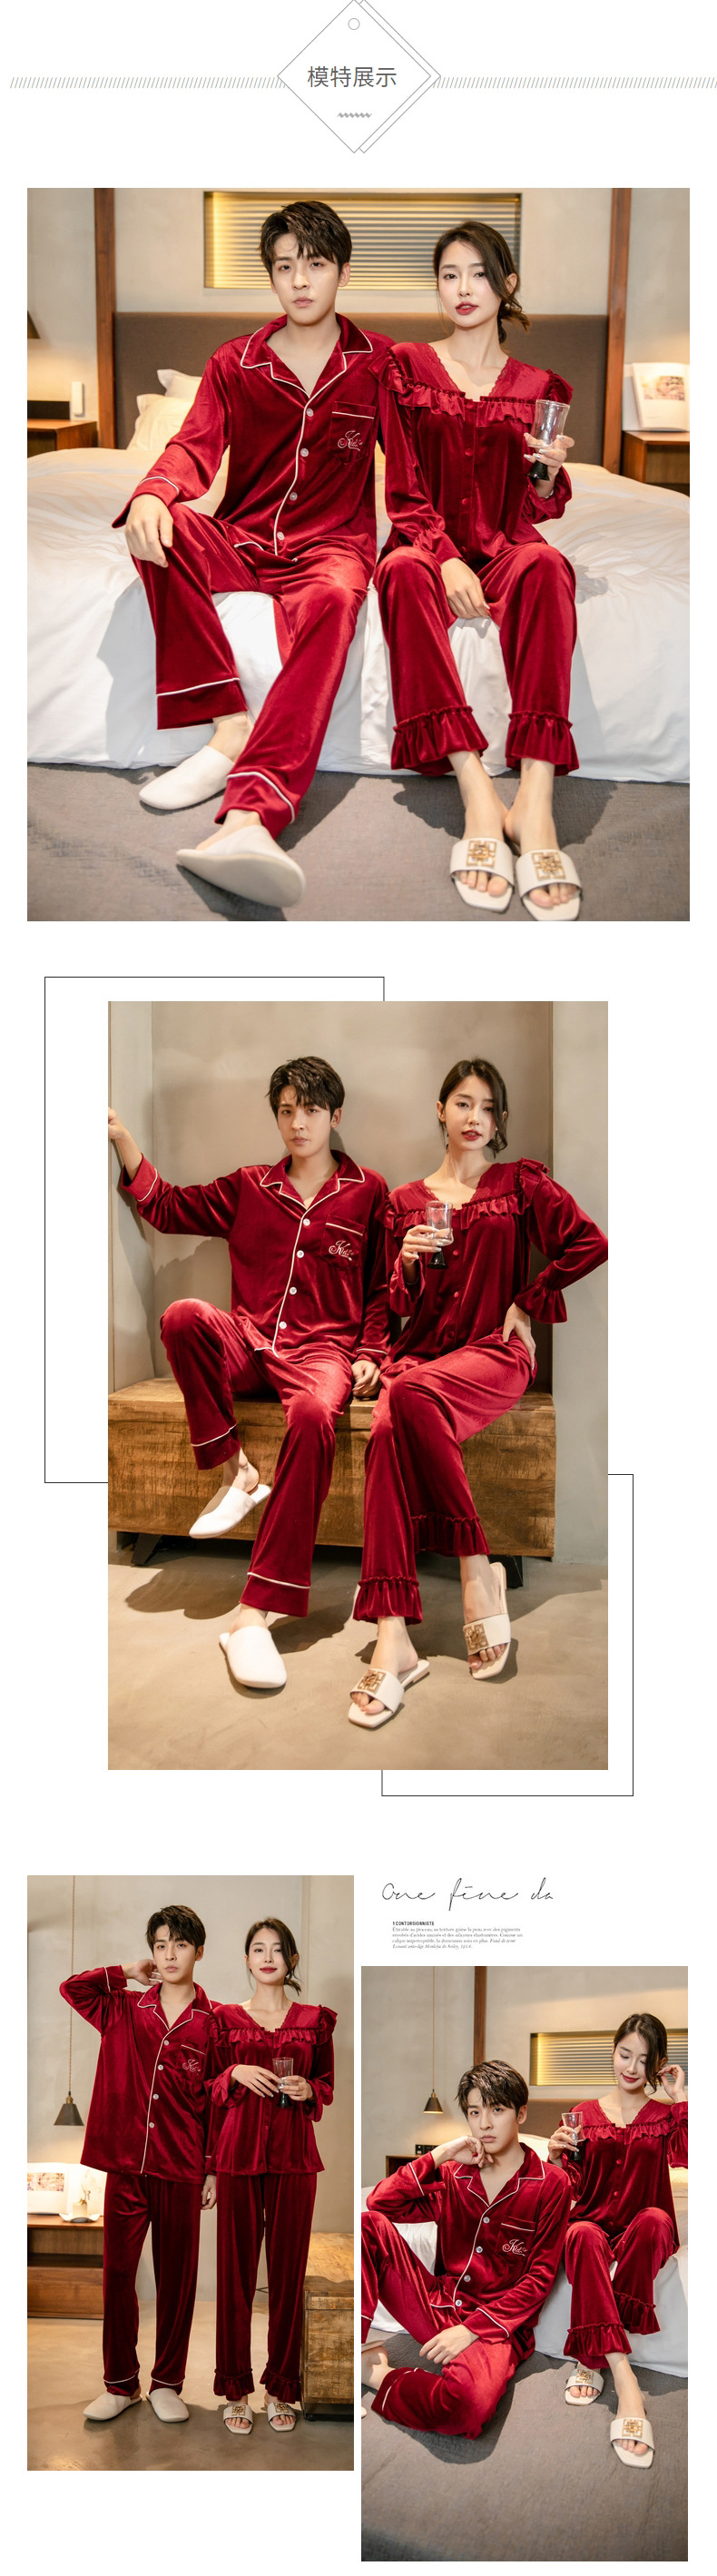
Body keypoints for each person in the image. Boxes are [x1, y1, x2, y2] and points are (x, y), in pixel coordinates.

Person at [117, 200, 392, 909]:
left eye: (316, 264)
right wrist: (153, 492)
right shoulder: (233, 362)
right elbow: (193, 448)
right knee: (160, 528)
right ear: (270, 276)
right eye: (284, 266)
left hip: (331, 547)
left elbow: (429, 457)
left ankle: (251, 815)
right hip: (243, 537)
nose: (299, 280)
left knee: (336, 601)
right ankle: (228, 726)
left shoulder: (382, 365)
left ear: (343, 272)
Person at [109, 1056, 388, 1692]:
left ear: (334, 1115)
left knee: (315, 1415)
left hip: (323, 1355)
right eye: (287, 1111)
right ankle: (236, 1469)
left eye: (310, 1110)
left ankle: (255, 1610)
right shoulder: (249, 1187)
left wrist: (371, 1351)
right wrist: (122, 1138)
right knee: (183, 1316)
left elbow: (378, 1286)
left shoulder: (369, 1192)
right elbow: (166, 1206)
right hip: (250, 1341)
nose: (298, 1123)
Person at [349, 1054, 607, 1725]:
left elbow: (589, 1243)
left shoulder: (519, 1185)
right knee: (389, 1421)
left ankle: (472, 1567)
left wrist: (528, 1300)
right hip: (423, 1358)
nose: (475, 1118)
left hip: (494, 1353)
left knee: (405, 1399)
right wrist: (406, 1266)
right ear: (441, 1110)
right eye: (463, 1103)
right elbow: (395, 1305)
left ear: (499, 1120)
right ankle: (395, 1636)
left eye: (488, 1108)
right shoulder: (406, 1204)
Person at [377, 221, 582, 917]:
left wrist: (548, 474)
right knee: (400, 575)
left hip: (503, 546)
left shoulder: (541, 387)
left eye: (480, 274)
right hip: (424, 545)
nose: (463, 288)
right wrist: (442, 558)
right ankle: (478, 793)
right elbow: (403, 489)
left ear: (507, 285)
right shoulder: (404, 367)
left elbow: (536, 502)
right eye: (449, 275)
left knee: (547, 567)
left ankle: (536, 801)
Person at [60, 1905, 221, 2426]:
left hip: (181, 2168)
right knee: (117, 2276)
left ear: (199, 1951)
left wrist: (212, 2168)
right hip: (126, 2165)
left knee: (177, 2281)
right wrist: (125, 1971)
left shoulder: (215, 2023)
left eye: (180, 1944)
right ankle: (120, 2384)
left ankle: (167, 2383)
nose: (169, 1955)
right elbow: (72, 1988)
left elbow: (218, 2102)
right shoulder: (123, 2008)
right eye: (160, 1945)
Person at [361, 2059, 571, 2438]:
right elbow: (380, 2203)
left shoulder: (552, 2183)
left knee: (468, 2406)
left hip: (494, 2326)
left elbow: (539, 2279)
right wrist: (440, 2154)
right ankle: (351, 2350)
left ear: (521, 2113)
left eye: (497, 2110)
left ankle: (372, 2372)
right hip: (437, 2302)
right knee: (367, 2226)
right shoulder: (453, 2174)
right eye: (475, 2112)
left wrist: (470, 2331)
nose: (484, 2124)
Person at [204, 1917, 336, 2435]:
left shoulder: (315, 2021)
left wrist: (310, 2090)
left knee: (286, 2278)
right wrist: (233, 2072)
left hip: (294, 2160)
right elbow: (208, 2092)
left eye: (277, 1950)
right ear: (246, 1959)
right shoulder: (223, 2020)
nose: (267, 1958)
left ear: (291, 1960)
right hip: (236, 2158)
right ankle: (235, 2389)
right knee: (234, 2279)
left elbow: (326, 2084)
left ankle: (282, 2387)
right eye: (257, 1949)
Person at [547, 2013, 688, 2471]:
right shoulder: (583, 2114)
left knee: (653, 2220)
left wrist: (680, 2098)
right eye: (624, 2054)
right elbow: (570, 2186)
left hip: (646, 2227)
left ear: (657, 2065)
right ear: (612, 2052)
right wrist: (555, 2156)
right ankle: (623, 2376)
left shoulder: (664, 2117)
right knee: (581, 2234)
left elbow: (689, 2156)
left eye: (643, 2060)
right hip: (593, 2223)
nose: (631, 2067)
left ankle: (591, 2357)